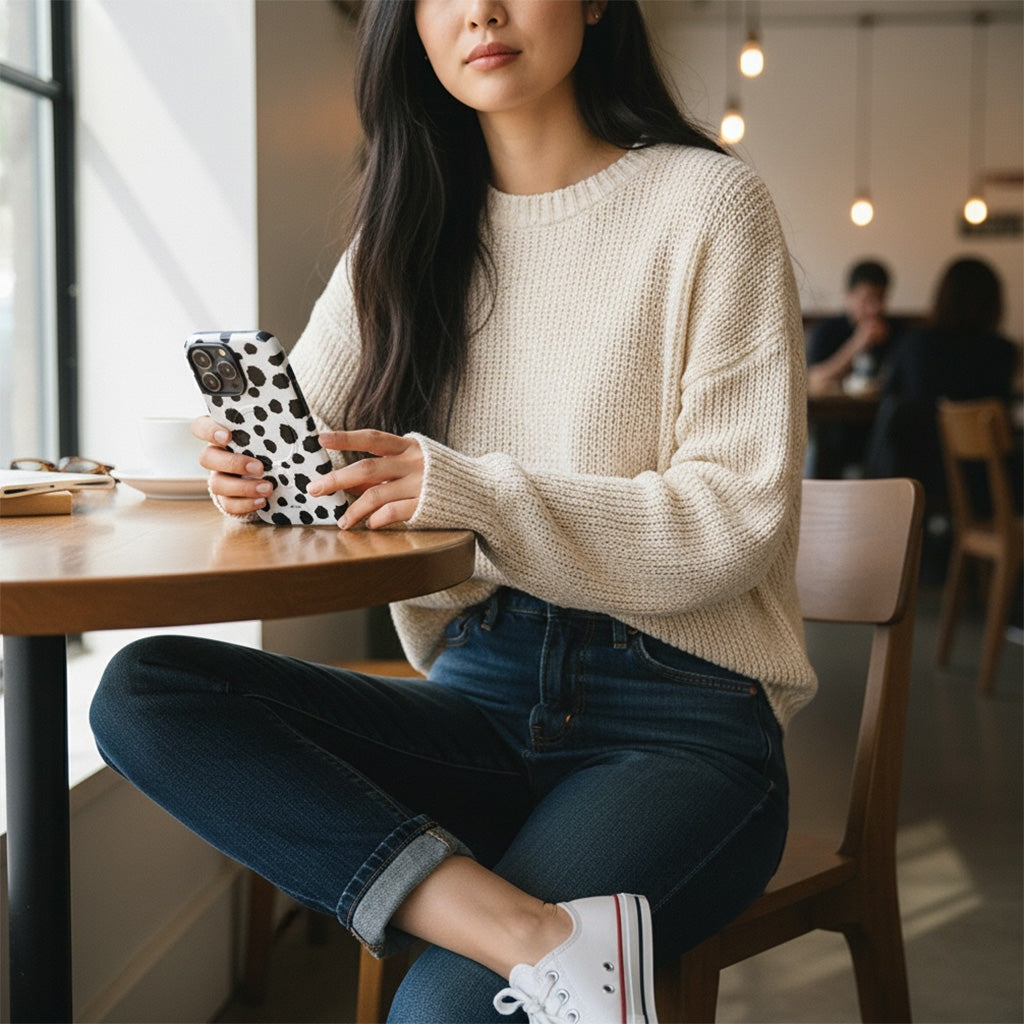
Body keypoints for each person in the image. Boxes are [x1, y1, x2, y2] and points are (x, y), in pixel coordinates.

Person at [89, 3, 816, 1022]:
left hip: (678, 722)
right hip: (478, 695)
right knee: (143, 693)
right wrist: (247, 475)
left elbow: (730, 523)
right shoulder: (405, 231)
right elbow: (318, 444)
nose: (478, 10)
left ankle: (524, 946)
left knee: (439, 1012)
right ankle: (534, 936)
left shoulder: (707, 204)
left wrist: (463, 490)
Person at [865, 256, 1019, 513]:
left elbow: (890, 400)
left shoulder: (914, 344)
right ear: (993, 303)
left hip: (914, 475)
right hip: (981, 480)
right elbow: (1002, 413)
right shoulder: (1001, 352)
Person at [805, 260, 901, 478]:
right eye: (867, 300)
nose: (875, 308)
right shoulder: (827, 331)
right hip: (836, 426)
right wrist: (857, 344)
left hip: (879, 427)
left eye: (881, 299)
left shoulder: (896, 332)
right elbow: (813, 380)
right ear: (847, 296)